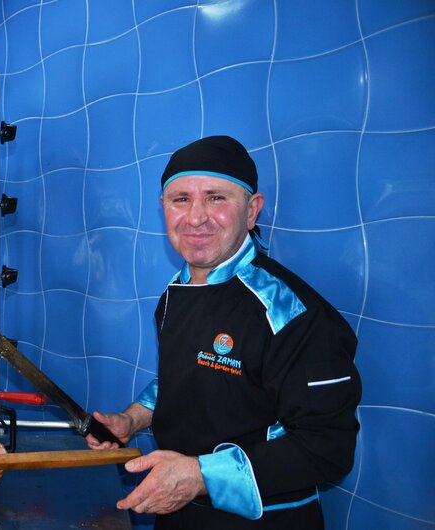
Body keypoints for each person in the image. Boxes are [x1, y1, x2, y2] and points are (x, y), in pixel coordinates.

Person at [86, 136, 361, 529]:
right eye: (181, 199)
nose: (195, 217)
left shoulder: (292, 315)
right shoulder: (174, 294)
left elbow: (328, 447)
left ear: (252, 210)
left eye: (216, 198)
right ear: (163, 208)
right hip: (177, 511)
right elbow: (186, 378)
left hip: (266, 520)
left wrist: (199, 476)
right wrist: (132, 420)